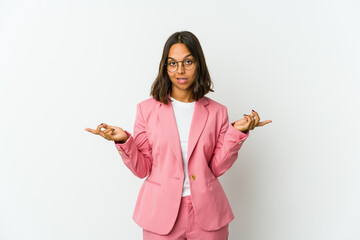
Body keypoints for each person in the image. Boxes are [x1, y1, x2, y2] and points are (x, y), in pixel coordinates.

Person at [85, 31, 272, 240]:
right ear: (165, 67)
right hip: (160, 215)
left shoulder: (218, 112)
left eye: (188, 62)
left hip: (208, 214)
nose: (180, 70)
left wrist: (235, 132)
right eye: (172, 63)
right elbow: (142, 169)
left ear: (199, 63)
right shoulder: (146, 110)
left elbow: (217, 168)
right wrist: (123, 141)